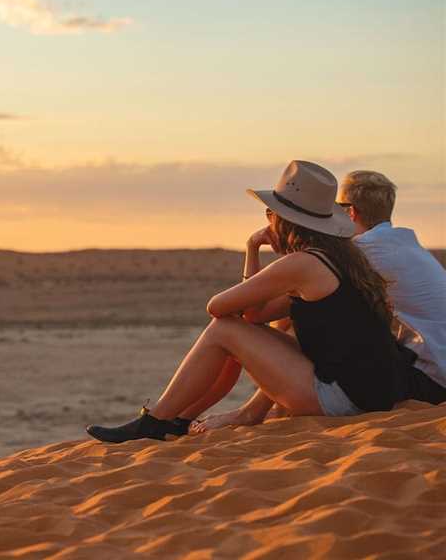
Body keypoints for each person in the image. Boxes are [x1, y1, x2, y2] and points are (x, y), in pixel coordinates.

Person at [86, 160, 446, 444]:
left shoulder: (302, 264)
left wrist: (252, 248)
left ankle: (157, 420)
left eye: (269, 213)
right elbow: (256, 315)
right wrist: (255, 252)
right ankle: (173, 420)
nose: (268, 220)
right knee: (233, 331)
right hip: (369, 392)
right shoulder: (339, 259)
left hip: (343, 399)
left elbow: (219, 307)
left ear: (284, 219)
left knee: (223, 329)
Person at [192, 170, 446, 433]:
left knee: (308, 316)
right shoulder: (402, 244)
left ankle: (251, 411)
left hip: (431, 379)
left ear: (349, 212)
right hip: (429, 366)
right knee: (310, 314)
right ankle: (266, 406)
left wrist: (260, 249)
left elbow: (262, 314)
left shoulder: (363, 253)